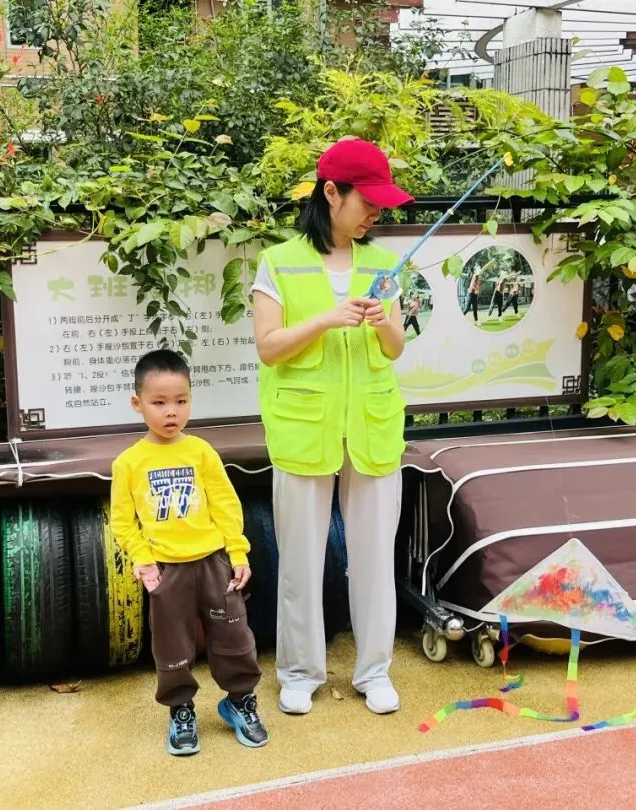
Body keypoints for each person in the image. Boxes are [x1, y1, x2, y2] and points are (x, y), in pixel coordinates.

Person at [251, 137, 412, 716]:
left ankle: (375, 672)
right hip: (304, 430)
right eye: (367, 201)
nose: (376, 214)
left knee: (375, 559)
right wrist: (327, 319)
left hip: (372, 427)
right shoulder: (278, 262)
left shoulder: (383, 265)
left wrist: (381, 322)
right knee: (300, 559)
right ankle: (299, 673)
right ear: (330, 193)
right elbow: (269, 348)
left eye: (381, 205)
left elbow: (394, 348)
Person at [110, 349, 268, 756]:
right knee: (172, 646)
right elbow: (123, 522)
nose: (171, 412)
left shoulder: (201, 452)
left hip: (215, 563)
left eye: (181, 401)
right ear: (137, 403)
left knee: (234, 636)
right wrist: (143, 559)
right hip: (167, 571)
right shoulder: (128, 463)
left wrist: (238, 553)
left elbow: (225, 505)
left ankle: (240, 701)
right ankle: (181, 709)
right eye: (159, 402)